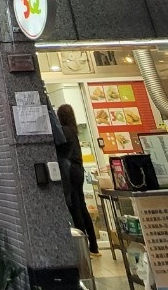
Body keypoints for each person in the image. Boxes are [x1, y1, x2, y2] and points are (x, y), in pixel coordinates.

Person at [56, 103, 99, 254]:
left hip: (70, 171)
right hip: (79, 170)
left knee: (75, 208)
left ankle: (82, 246)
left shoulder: (64, 131)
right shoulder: (73, 131)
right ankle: (93, 245)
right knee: (82, 206)